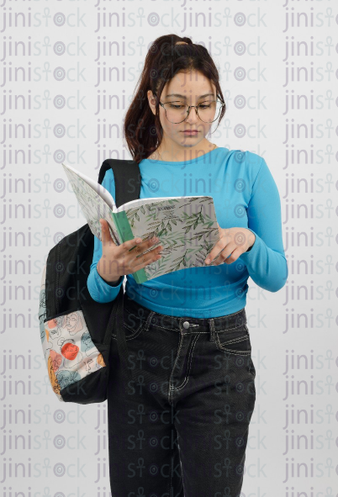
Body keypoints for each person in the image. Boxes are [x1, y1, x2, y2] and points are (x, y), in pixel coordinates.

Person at [87, 34, 288, 497]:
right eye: (178, 105)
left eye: (205, 104)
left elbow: (275, 275)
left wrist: (247, 239)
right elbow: (99, 292)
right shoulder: (123, 178)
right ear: (155, 102)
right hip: (140, 349)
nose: (192, 118)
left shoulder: (247, 169)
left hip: (221, 354)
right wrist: (111, 269)